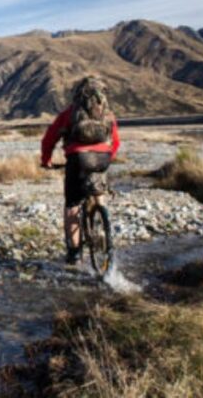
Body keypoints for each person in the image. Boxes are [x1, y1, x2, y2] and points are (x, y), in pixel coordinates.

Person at [40, 77, 121, 265]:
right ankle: (103, 220)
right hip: (102, 159)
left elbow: (49, 139)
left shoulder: (69, 114)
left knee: (72, 206)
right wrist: (109, 157)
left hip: (77, 159)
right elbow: (115, 141)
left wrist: (47, 160)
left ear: (78, 95)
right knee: (98, 192)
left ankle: (74, 253)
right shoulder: (107, 115)